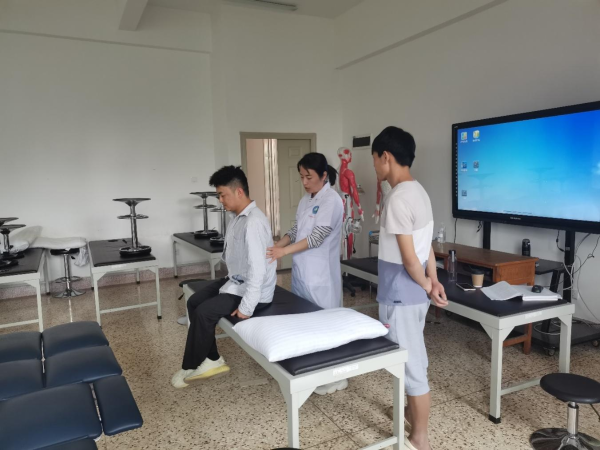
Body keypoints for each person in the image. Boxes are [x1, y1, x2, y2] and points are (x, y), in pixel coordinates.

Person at [371, 127, 448, 450]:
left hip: (401, 295)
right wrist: (433, 281)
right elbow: (425, 245)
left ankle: (419, 439)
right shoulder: (419, 192)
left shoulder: (398, 198)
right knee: (412, 356)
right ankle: (409, 413)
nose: (375, 166)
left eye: (375, 160)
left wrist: (428, 283)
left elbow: (408, 258)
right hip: (415, 295)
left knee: (412, 366)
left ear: (386, 157)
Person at [171, 166, 277, 389]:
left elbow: (258, 270)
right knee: (194, 301)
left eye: (222, 195)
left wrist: (247, 306)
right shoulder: (237, 218)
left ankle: (194, 364)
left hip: (253, 291)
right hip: (237, 280)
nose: (220, 200)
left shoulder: (253, 222)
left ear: (239, 192)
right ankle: (212, 359)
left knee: (204, 312)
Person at [266, 153, 345, 395]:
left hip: (321, 276)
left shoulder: (332, 200)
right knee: (307, 324)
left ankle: (337, 377)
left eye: (309, 177)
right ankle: (315, 371)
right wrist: (278, 245)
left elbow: (316, 237)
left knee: (326, 326)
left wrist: (284, 251)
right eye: (301, 177)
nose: (304, 182)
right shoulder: (305, 200)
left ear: (324, 175)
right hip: (303, 273)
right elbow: (296, 229)